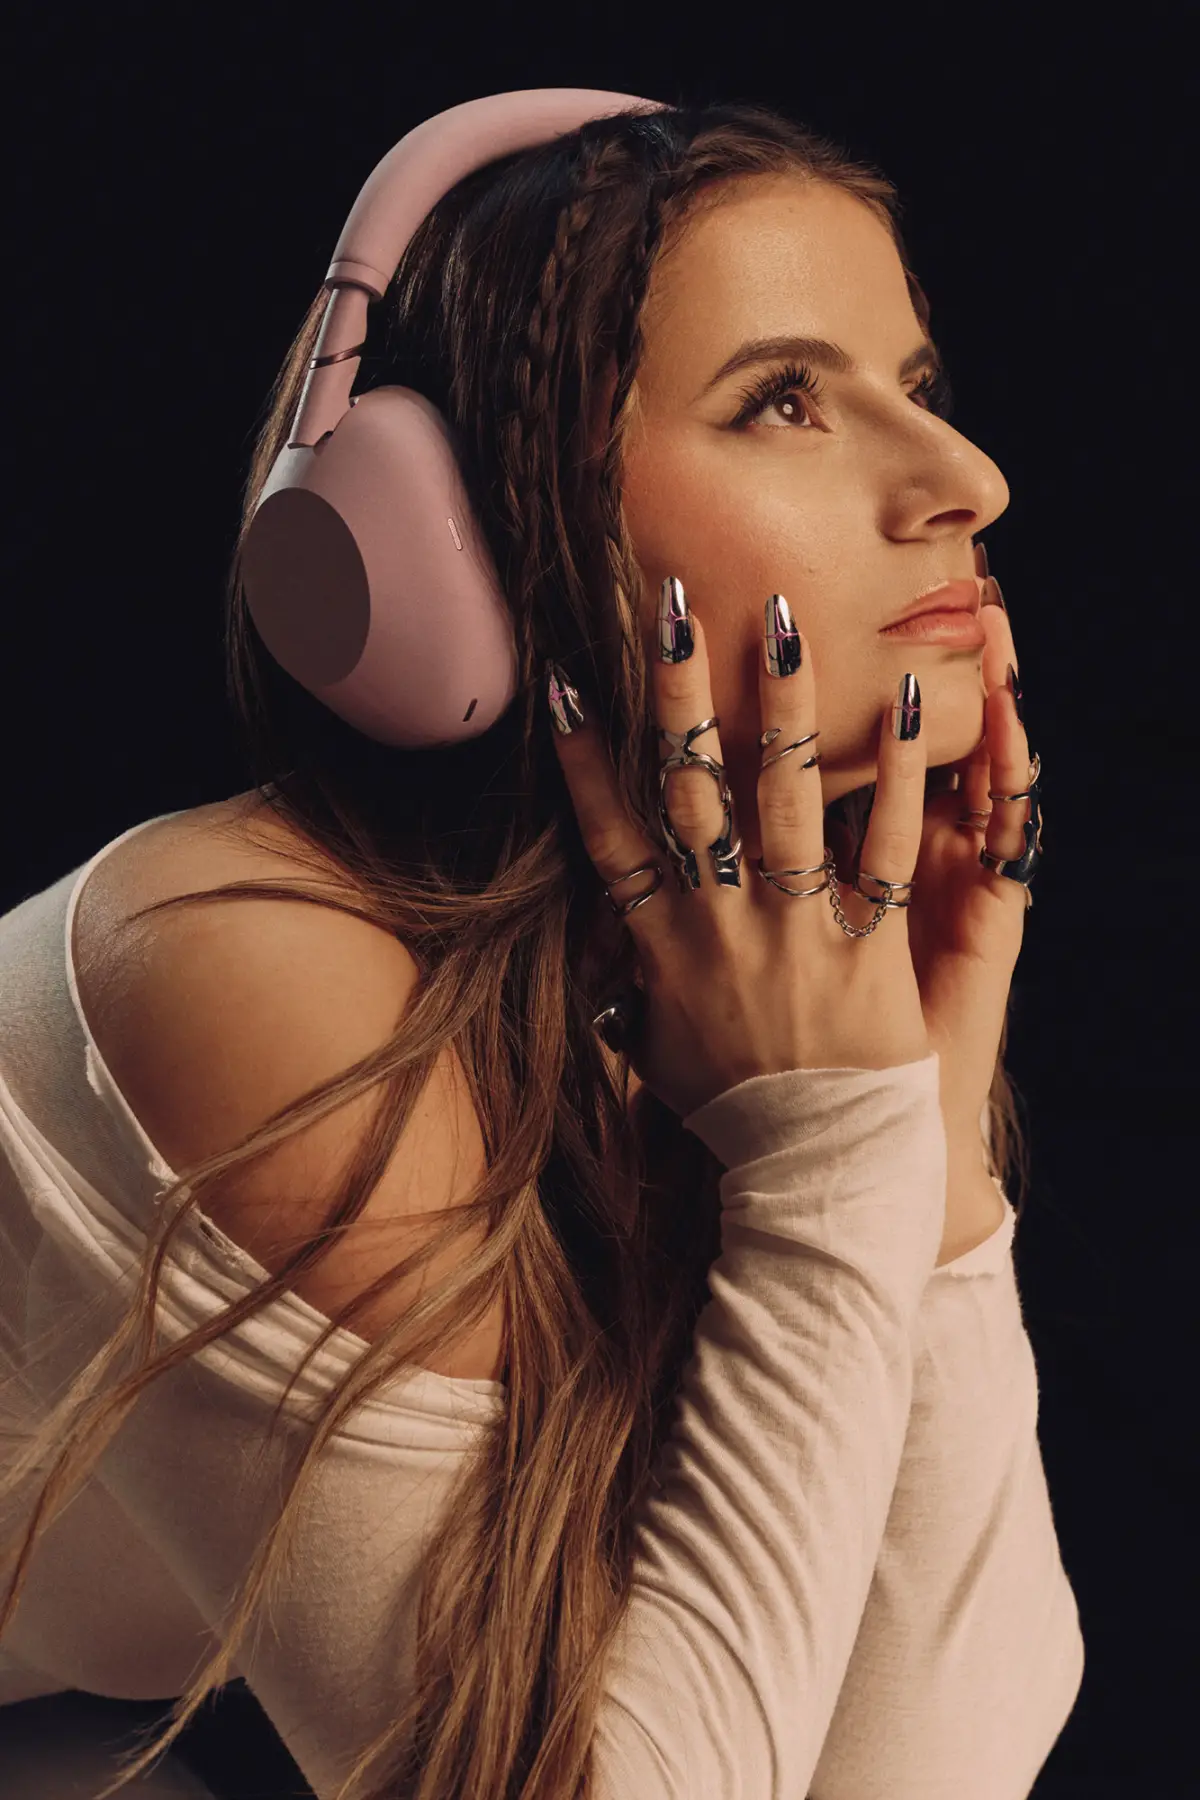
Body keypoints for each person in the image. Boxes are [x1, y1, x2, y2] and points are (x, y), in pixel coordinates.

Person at [0, 95, 1080, 1799]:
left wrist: (923, 1124)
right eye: (785, 400)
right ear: (460, 533)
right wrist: (834, 1153)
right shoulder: (246, 963)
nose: (969, 478)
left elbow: (930, 1766)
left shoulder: (709, 997)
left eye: (916, 386)